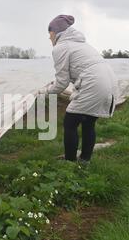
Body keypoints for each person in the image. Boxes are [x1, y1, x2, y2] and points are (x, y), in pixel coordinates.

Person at [40, 15, 118, 163]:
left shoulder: (61, 47)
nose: (49, 37)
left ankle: (70, 162)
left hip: (94, 84)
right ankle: (84, 160)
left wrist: (45, 92)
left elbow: (62, 82)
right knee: (88, 122)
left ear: (56, 32)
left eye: (50, 33)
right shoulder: (81, 44)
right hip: (109, 82)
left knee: (70, 122)